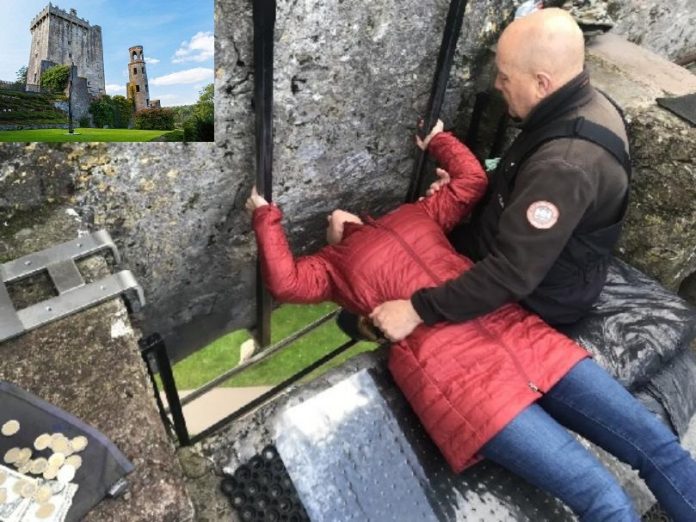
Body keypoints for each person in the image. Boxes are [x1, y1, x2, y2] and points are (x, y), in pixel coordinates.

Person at [246, 125, 696, 521]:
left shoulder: (415, 214)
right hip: (466, 384)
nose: (331, 217)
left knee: (657, 445)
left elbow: (471, 179)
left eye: (336, 213)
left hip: (522, 338)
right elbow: (284, 282)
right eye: (327, 223)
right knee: (601, 497)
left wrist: (438, 140)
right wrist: (265, 216)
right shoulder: (330, 268)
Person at [370, 8, 632, 342]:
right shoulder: (586, 105)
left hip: (540, 296)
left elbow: (512, 273)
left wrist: (416, 310)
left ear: (541, 83)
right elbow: (525, 178)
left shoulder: (565, 166)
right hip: (519, 251)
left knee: (388, 283)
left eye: (505, 76)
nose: (497, 84)